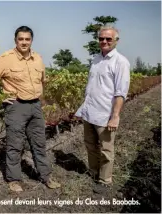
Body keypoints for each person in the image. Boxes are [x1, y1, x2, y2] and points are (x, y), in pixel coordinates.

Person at [0, 26, 61, 192]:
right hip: (16, 106)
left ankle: (46, 176)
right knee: (15, 144)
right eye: (21, 39)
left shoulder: (38, 58)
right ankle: (14, 179)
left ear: (31, 40)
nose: (24, 42)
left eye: (27, 39)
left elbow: (42, 81)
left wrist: (42, 100)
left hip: (35, 106)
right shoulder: (6, 58)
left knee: (39, 143)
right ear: (15, 40)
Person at [75, 25, 130, 194]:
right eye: (101, 38)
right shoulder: (96, 59)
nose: (104, 41)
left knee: (106, 150)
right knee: (90, 144)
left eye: (108, 39)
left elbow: (121, 93)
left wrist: (115, 116)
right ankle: (93, 172)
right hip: (90, 111)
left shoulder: (121, 62)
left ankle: (105, 180)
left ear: (116, 41)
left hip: (105, 115)